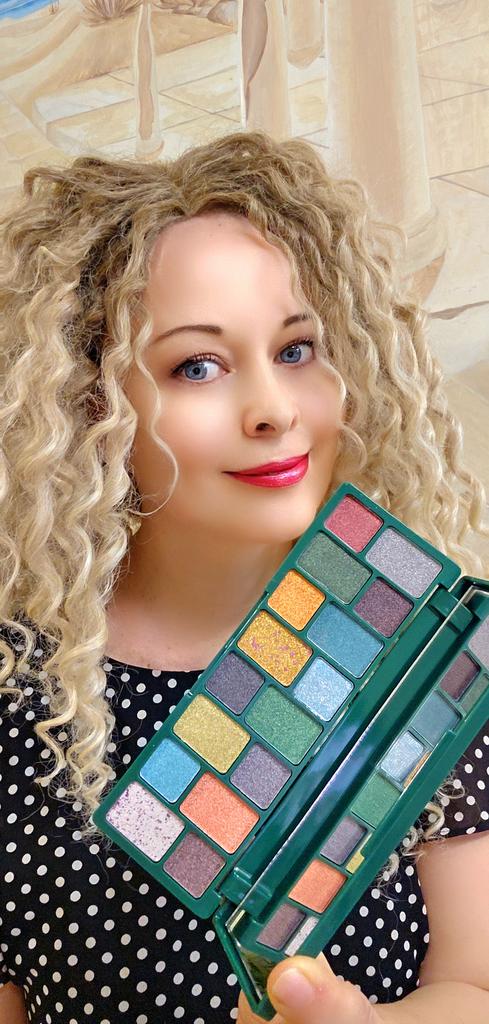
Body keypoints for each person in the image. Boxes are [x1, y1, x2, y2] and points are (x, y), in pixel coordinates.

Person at [0, 130, 488, 1024]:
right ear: (91, 402)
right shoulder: (21, 692)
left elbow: (479, 981)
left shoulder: (422, 655)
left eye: (296, 350)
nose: (270, 409)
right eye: (198, 366)